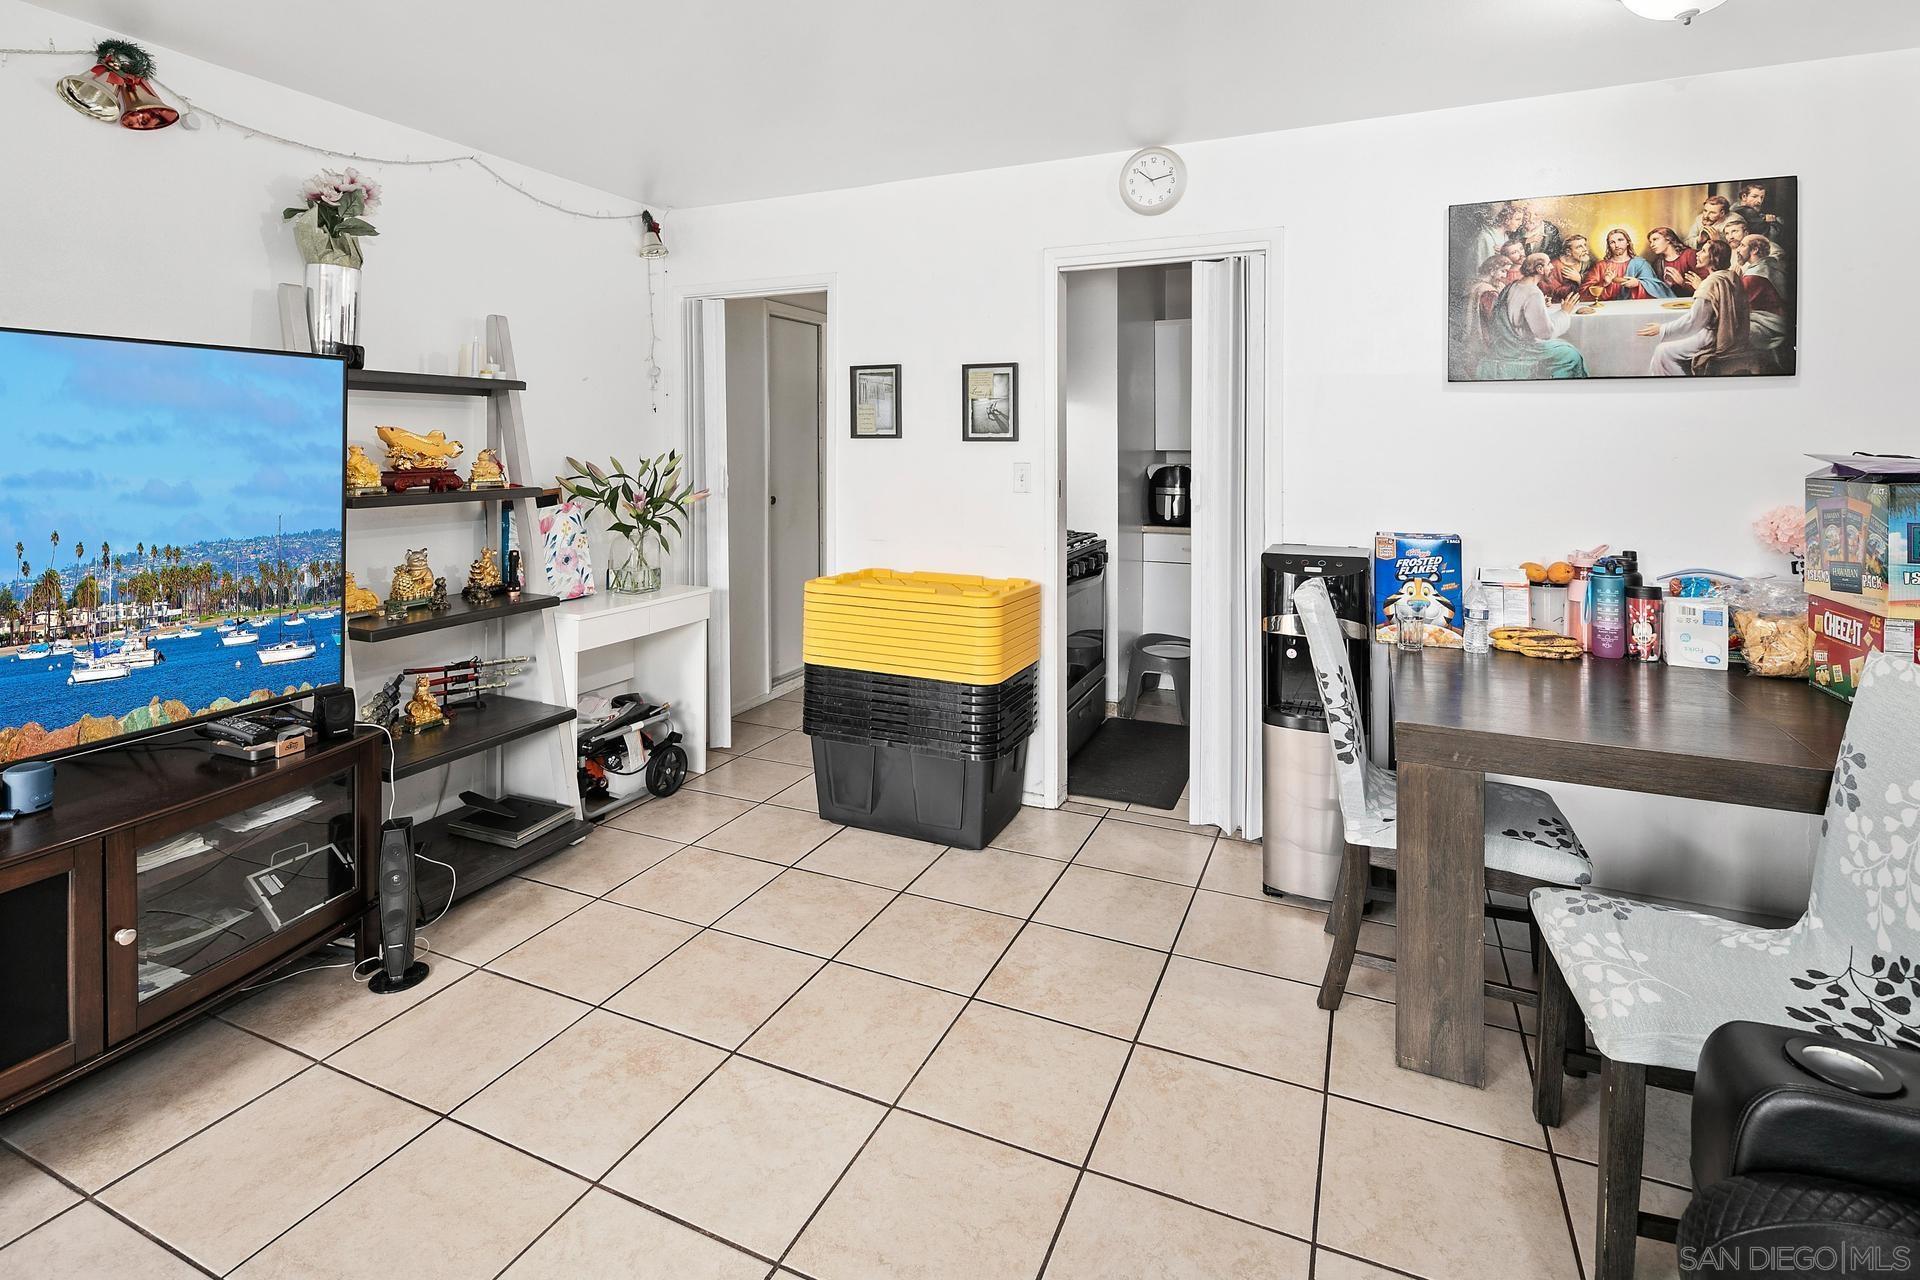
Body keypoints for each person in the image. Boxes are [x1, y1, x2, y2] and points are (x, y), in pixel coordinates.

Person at [1637, 240, 1755, 376]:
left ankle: (1678, 387)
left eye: (1703, 251)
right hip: (1733, 334)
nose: (1697, 254)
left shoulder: (1710, 283)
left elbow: (1694, 321)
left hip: (1715, 337)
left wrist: (1662, 328)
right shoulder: (1730, 275)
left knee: (1662, 351)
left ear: (1714, 257)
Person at [1477, 253, 1589, 380]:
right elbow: (1545, 333)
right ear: (1540, 269)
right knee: (1571, 355)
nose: (1552, 267)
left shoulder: (1512, 285)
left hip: (1505, 345)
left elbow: (1517, 314)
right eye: (1548, 264)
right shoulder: (1533, 293)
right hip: (1519, 348)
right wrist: (1564, 312)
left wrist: (1541, 307)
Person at [1734, 233, 1790, 351]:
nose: (1738, 250)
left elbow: (1737, 304)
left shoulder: (1754, 276)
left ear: (1754, 250)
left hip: (1769, 323)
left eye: (1742, 246)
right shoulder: (1771, 265)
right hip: (1781, 319)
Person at [1582, 228, 1664, 299]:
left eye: (1620, 240)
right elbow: (1584, 293)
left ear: (1628, 242)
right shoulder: (1601, 266)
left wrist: (1638, 284)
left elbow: (1657, 289)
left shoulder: (1641, 264)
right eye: (1612, 242)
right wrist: (1604, 283)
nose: (1617, 245)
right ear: (1609, 246)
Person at [1468, 204, 1522, 278]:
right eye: (1517, 219)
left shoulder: (1505, 237)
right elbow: (1484, 269)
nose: (1520, 223)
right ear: (1507, 219)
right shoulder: (1486, 238)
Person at [1644, 227, 1698, 298]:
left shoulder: (1689, 255)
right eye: (1650, 242)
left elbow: (1705, 284)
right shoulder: (1658, 263)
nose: (1652, 245)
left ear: (1668, 239)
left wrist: (1682, 283)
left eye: (1655, 239)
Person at [1537, 234, 1591, 302]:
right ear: (1568, 252)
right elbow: (1551, 293)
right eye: (1579, 247)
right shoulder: (1553, 266)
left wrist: (1579, 279)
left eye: (1585, 245)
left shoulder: (1587, 263)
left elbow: (1592, 289)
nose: (1585, 249)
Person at [1734, 180, 1789, 245]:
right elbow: (1771, 239)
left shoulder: (1735, 207)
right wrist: (1772, 222)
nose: (1759, 201)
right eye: (1754, 196)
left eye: (1762, 197)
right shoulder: (1748, 212)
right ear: (1744, 197)